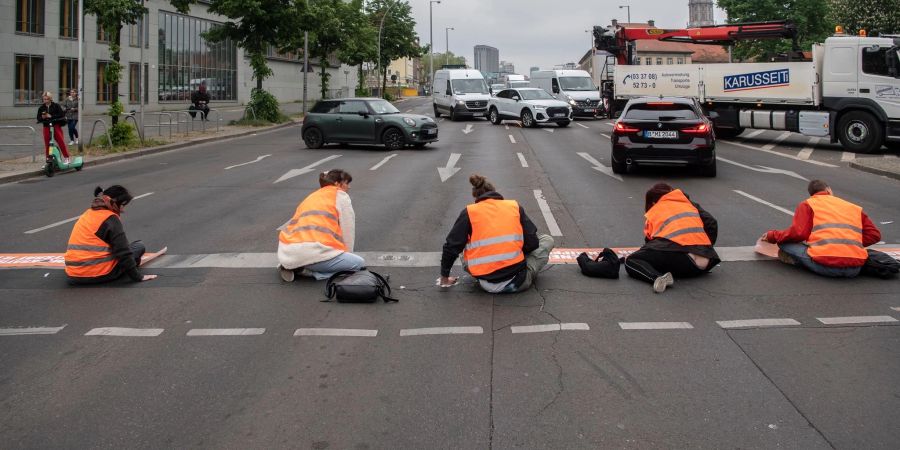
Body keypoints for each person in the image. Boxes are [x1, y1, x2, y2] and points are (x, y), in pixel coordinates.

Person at [440, 174, 555, 293]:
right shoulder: (514, 206)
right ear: (495, 193)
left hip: (484, 282)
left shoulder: (469, 212)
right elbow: (532, 242)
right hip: (516, 281)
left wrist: (445, 278)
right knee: (546, 239)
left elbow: (451, 246)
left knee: (464, 250)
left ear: (476, 196)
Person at [762, 179, 880, 278]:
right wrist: (851, 244)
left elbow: (799, 234)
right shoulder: (853, 207)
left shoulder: (808, 204)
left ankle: (796, 260)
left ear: (812, 194)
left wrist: (772, 235)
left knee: (784, 243)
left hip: (826, 266)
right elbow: (874, 235)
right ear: (829, 190)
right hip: (855, 269)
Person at [624, 183, 720, 293]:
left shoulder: (655, 210)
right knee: (666, 258)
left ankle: (656, 278)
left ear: (654, 202)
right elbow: (711, 222)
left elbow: (650, 244)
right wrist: (705, 248)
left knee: (632, 261)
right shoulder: (688, 204)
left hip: (683, 261)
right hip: (705, 263)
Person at [278, 169, 365, 281]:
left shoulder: (312, 196)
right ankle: (309, 273)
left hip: (287, 252)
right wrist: (348, 255)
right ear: (337, 184)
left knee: (307, 256)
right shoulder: (340, 196)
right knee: (359, 264)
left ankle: (293, 266)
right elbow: (348, 230)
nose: (349, 187)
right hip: (313, 254)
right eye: (347, 183)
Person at [65, 186, 157, 284]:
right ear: (113, 202)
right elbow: (123, 252)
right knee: (139, 246)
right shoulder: (110, 218)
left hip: (73, 274)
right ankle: (130, 266)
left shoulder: (87, 214)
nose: (122, 209)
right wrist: (138, 277)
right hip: (99, 273)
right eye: (122, 204)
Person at [36, 91, 70, 164]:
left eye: (47, 99)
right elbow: (38, 118)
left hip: (56, 126)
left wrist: (51, 116)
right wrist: (42, 117)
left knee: (61, 141)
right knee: (47, 143)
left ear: (50, 99)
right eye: (44, 99)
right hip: (46, 126)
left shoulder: (56, 106)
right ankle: (48, 159)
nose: (45, 101)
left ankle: (67, 158)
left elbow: (61, 114)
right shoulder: (41, 108)